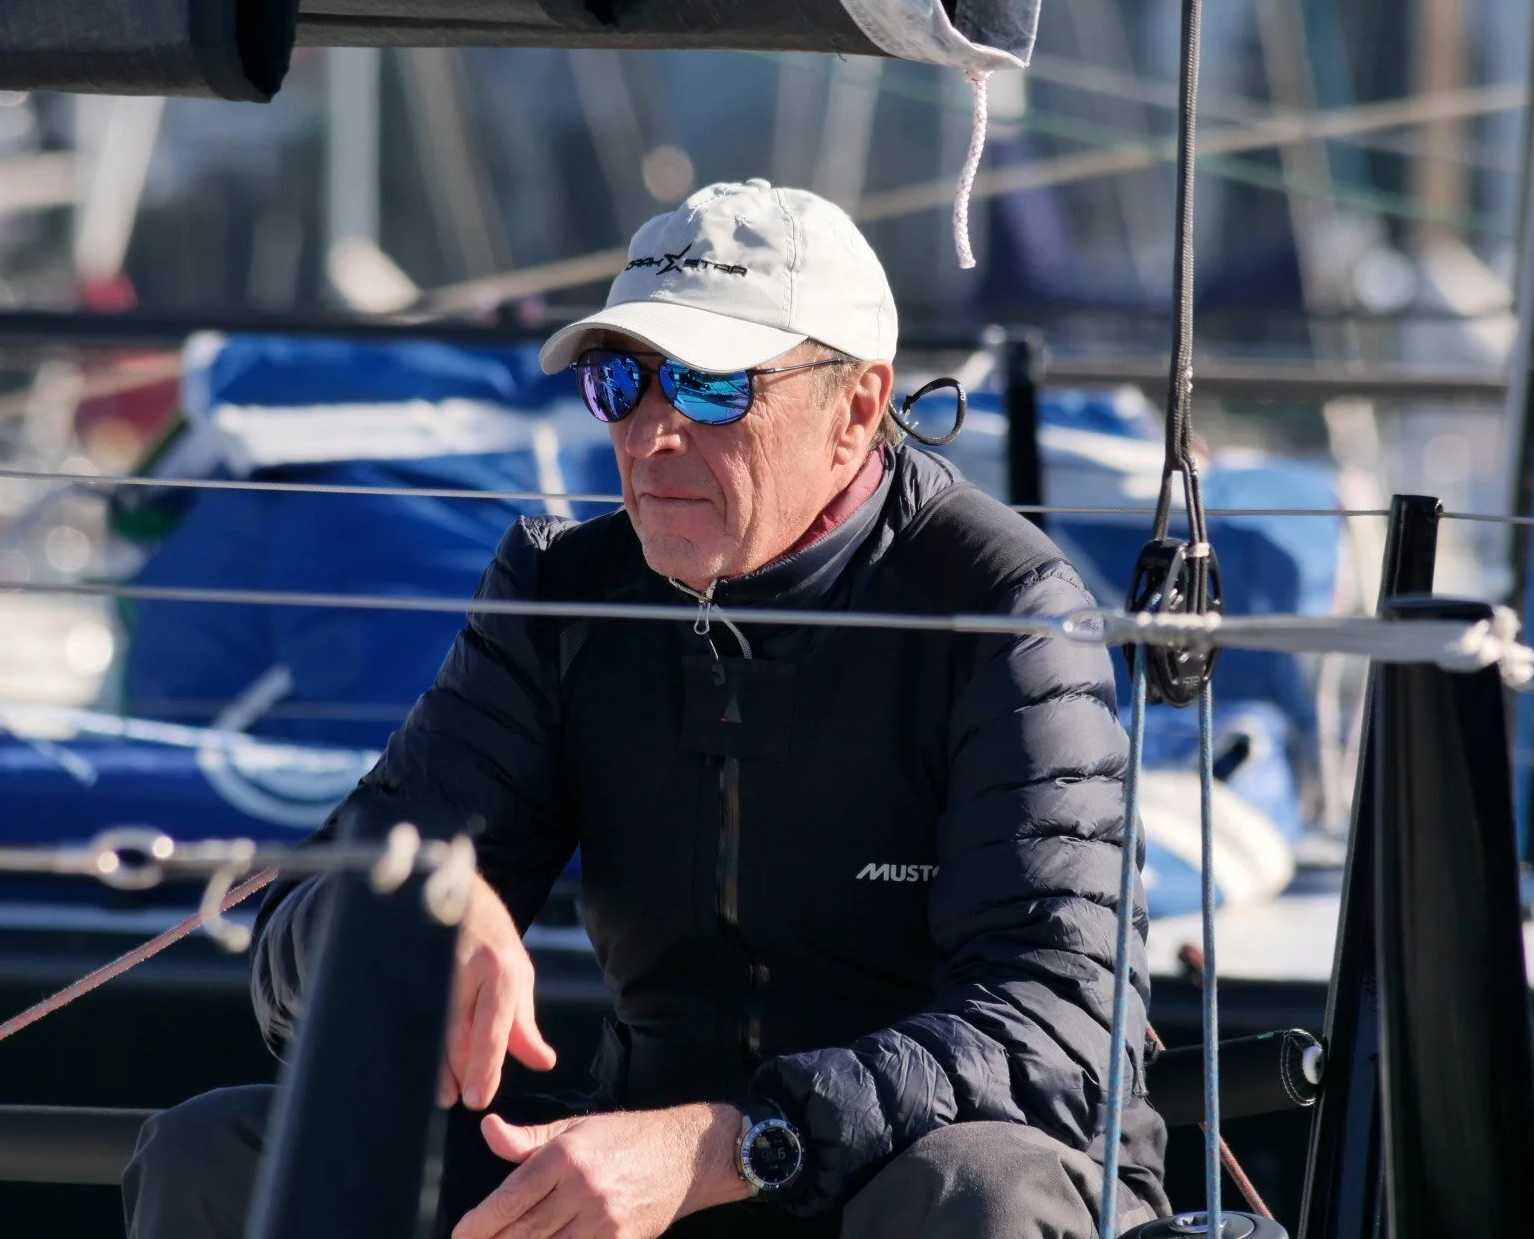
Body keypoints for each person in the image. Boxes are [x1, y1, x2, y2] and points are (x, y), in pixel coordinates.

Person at [124, 179, 1167, 1239]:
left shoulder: (1004, 608)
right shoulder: (563, 595)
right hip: (652, 1171)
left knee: (974, 1188)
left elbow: (1061, 1029)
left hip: (904, 1181)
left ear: (856, 410)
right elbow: (288, 951)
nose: (652, 433)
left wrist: (737, 1144)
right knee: (217, 1157)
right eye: (619, 380)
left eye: (712, 386)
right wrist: (405, 915)